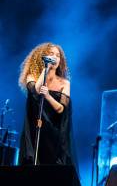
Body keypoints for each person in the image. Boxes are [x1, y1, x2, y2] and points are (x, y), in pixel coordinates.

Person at [18, 42, 77, 172]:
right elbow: (36, 91)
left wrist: (49, 97)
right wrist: (46, 69)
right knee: (32, 164)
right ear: (43, 57)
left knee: (53, 168)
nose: (55, 58)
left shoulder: (64, 82)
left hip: (54, 132)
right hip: (36, 129)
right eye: (51, 54)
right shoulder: (32, 76)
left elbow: (61, 108)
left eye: (58, 55)